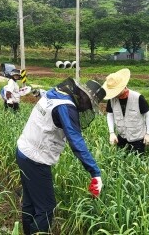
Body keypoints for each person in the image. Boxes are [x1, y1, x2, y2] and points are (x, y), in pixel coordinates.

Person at [15, 77, 109, 235]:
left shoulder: (56, 93)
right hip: (36, 159)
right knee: (46, 208)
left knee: (30, 203)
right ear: (83, 96)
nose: (86, 107)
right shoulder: (66, 107)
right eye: (89, 103)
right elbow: (76, 140)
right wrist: (95, 172)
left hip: (23, 151)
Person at [102, 68, 149, 154]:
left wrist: (148, 134)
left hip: (138, 138)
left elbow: (148, 115)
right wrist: (111, 133)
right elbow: (110, 114)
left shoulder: (138, 98)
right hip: (121, 137)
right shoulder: (112, 100)